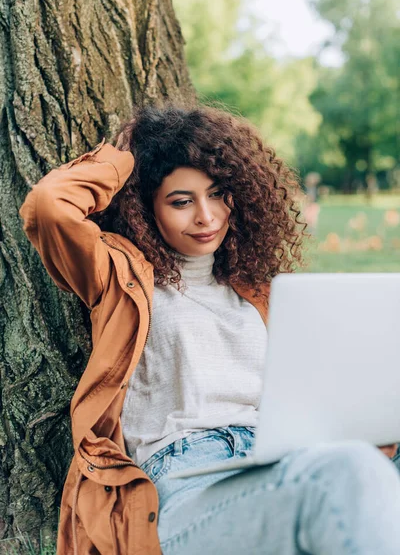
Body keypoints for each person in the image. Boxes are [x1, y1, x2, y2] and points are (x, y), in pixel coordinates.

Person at [19, 104, 400, 555]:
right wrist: (127, 157)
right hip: (187, 477)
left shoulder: (259, 290)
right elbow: (48, 207)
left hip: (278, 457)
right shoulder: (120, 276)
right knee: (350, 471)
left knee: (355, 465)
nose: (206, 216)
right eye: (182, 201)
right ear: (146, 206)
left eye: (218, 194)